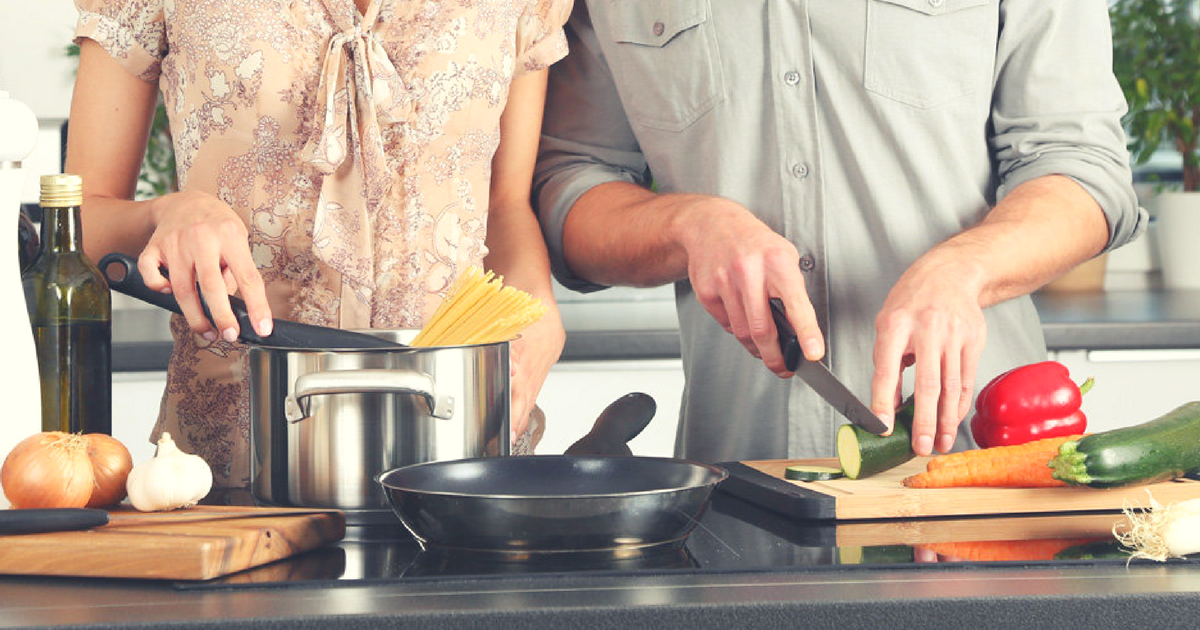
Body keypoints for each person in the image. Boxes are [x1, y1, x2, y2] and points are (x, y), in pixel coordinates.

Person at [533, 1, 1144, 462]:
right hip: (736, 484)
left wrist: (967, 266)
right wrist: (689, 225)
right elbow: (565, 185)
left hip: (982, 465)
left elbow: (1082, 168)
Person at [67, 0, 572, 488]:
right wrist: (168, 212)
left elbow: (506, 206)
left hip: (459, 448)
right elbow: (78, 218)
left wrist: (538, 306)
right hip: (237, 462)